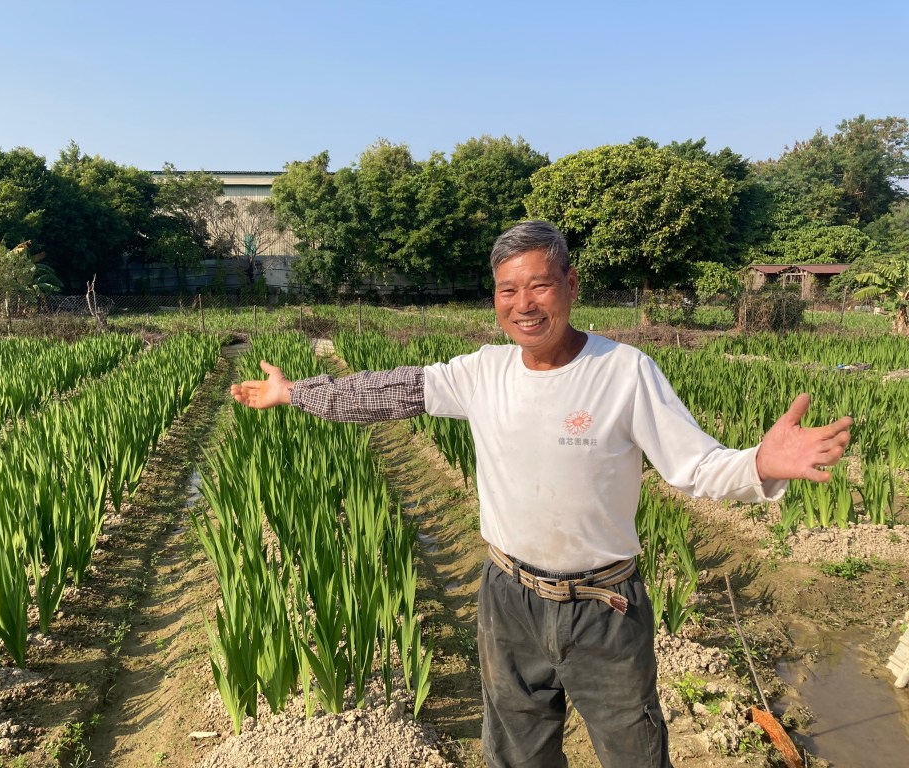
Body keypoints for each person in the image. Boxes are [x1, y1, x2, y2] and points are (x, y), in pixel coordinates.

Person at [230, 220, 853, 768]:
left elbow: (695, 466)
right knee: (517, 751)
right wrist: (296, 393)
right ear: (496, 298)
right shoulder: (483, 372)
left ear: (570, 285)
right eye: (508, 290)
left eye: (539, 285)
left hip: (604, 607)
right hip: (509, 599)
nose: (523, 304)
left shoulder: (623, 372)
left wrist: (759, 464)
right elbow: (390, 392)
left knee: (633, 750)